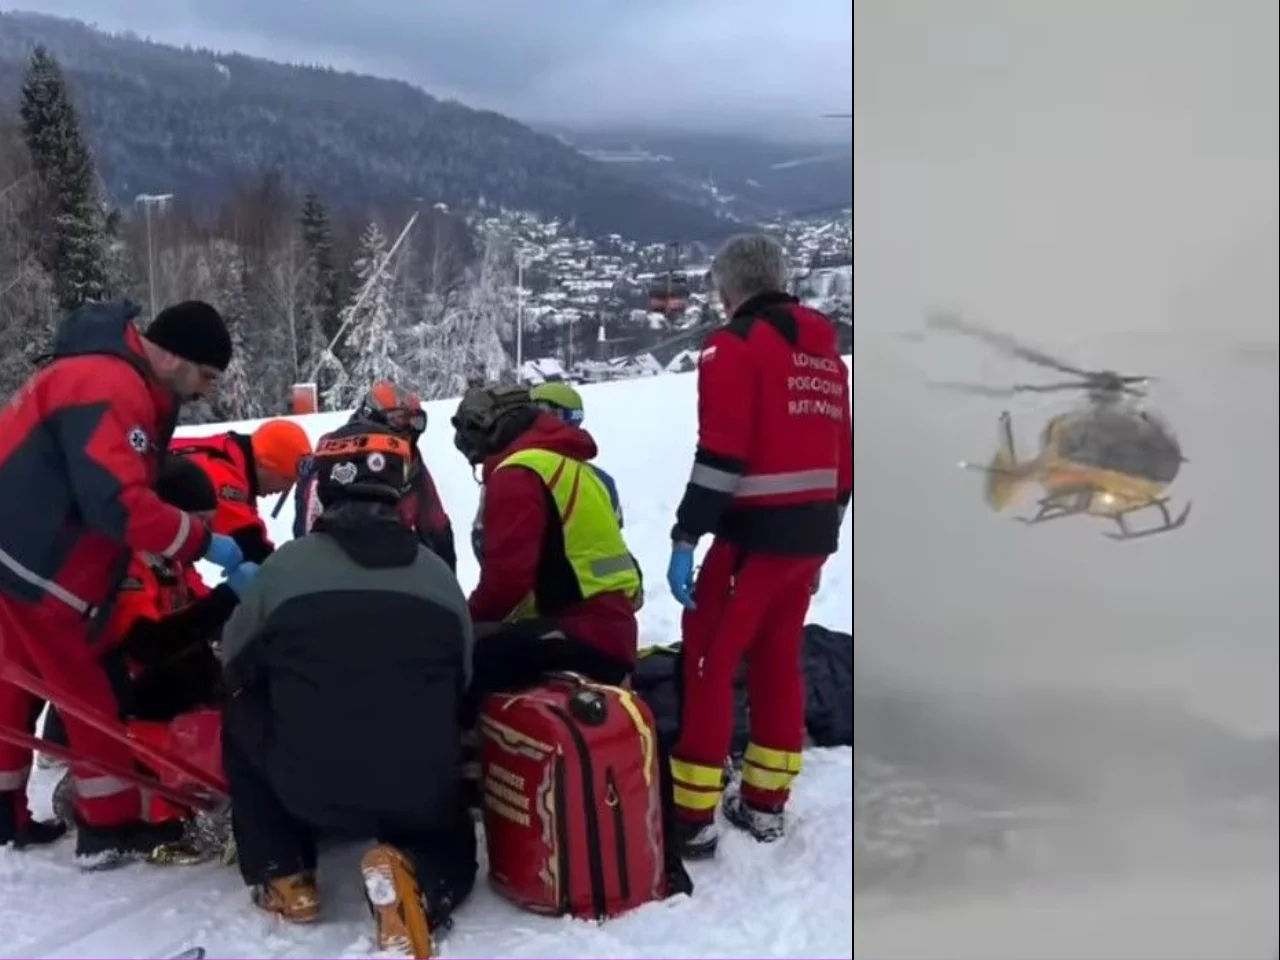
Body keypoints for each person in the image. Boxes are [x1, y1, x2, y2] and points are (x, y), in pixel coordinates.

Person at [0, 299, 246, 860]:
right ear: (177, 356)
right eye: (206, 375)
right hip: (41, 564)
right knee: (88, 696)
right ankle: (108, 829)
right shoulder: (112, 388)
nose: (205, 391)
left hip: (16, 551)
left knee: (13, 682)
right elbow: (119, 504)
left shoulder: (95, 373)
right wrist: (205, 542)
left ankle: (3, 810)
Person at [219, 422, 476, 958]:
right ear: (399, 496)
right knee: (450, 841)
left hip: (306, 787)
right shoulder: (437, 576)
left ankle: (283, 871)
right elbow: (464, 679)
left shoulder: (284, 569)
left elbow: (236, 664)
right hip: (417, 789)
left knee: (240, 711)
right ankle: (422, 882)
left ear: (324, 493)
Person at [664, 233, 853, 859]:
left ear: (728, 289)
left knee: (708, 661)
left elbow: (721, 456)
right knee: (777, 658)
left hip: (754, 536)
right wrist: (822, 541)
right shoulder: (828, 357)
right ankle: (766, 803)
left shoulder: (732, 347)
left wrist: (687, 534)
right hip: (810, 536)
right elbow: (844, 463)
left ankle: (693, 816)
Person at [451, 383, 642, 711]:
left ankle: (463, 755)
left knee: (460, 657)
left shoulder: (519, 473)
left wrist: (463, 623)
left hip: (583, 633)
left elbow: (507, 582)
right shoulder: (571, 467)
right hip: (609, 628)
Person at [293, 381, 457, 572]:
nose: (407, 432)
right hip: (334, 563)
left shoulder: (411, 461)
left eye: (413, 423)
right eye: (399, 419)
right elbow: (307, 523)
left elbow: (435, 523)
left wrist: (446, 582)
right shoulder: (333, 455)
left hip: (392, 562)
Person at [170, 419, 313, 564]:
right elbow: (249, 543)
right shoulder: (222, 474)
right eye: (287, 479)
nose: (286, 488)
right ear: (264, 465)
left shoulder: (231, 453)